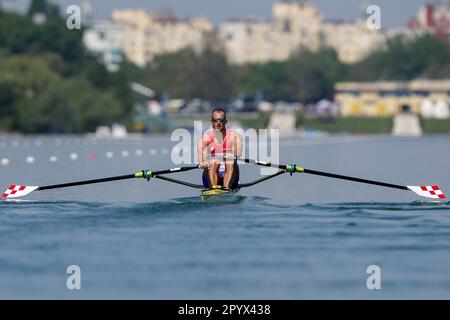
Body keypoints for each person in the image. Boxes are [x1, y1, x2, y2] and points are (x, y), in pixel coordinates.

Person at [198, 108, 242, 190]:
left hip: (231, 175)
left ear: (225, 122)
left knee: (230, 161)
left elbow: (237, 152)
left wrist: (232, 155)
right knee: (214, 162)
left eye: (221, 120)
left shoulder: (235, 137)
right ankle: (213, 189)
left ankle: (226, 188)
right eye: (215, 120)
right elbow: (201, 154)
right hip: (211, 173)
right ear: (211, 122)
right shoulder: (205, 138)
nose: (218, 123)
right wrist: (202, 162)